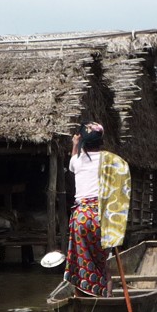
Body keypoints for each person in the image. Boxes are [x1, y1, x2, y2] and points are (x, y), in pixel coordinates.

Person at [64, 123, 110, 296]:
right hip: (101, 215)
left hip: (81, 215)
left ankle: (80, 297)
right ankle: (105, 294)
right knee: (102, 261)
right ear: (101, 142)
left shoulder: (77, 160)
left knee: (79, 261)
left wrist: (75, 144)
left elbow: (72, 161)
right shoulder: (110, 160)